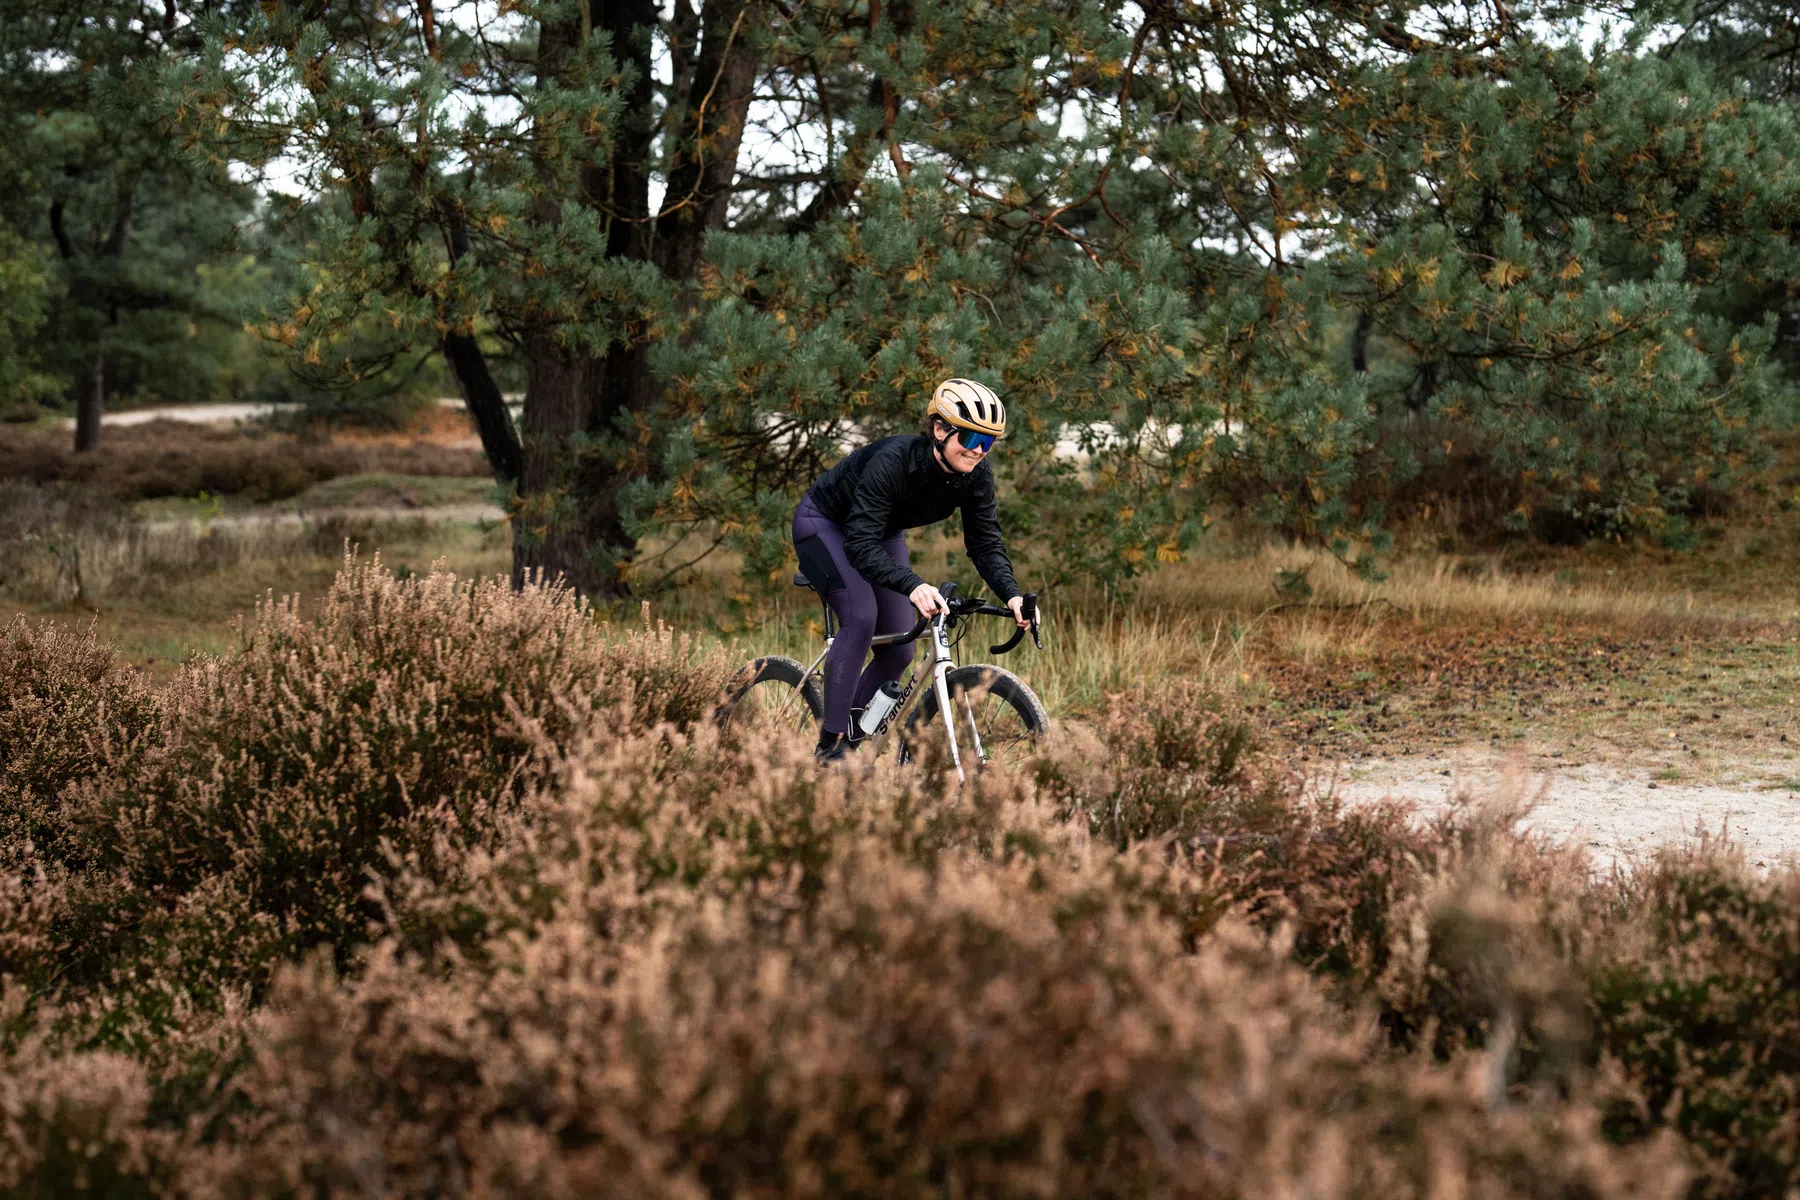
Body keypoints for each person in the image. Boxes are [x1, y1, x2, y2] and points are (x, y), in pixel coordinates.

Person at [791, 378, 1031, 762]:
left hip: (879, 532)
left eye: (988, 443)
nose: (979, 452)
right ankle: (829, 745)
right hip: (825, 525)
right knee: (861, 616)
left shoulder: (975, 476)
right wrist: (913, 584)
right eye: (971, 440)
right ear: (939, 429)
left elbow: (985, 543)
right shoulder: (894, 460)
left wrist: (1013, 594)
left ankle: (851, 737)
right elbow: (858, 543)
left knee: (900, 647)